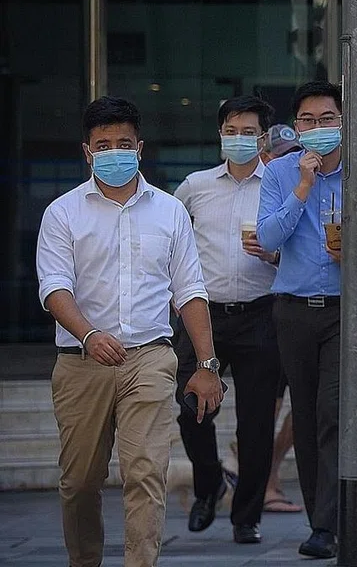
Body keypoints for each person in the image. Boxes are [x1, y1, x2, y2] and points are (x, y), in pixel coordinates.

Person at [36, 96, 223, 567]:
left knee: (145, 474)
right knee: (80, 482)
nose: (114, 152)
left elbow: (190, 290)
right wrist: (88, 334)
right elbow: (54, 287)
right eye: (104, 145)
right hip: (82, 362)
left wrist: (206, 365)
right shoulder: (62, 213)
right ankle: (85, 560)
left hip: (150, 358)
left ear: (140, 148)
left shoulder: (169, 211)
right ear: (87, 152)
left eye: (124, 143)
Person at [257, 81, 357, 559]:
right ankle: (322, 518)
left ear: (344, 122)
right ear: (295, 127)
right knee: (305, 411)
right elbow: (270, 236)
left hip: (346, 310)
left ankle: (327, 522)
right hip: (293, 310)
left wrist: (356, 255)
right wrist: (301, 185)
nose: (317, 129)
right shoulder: (278, 172)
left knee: (333, 411)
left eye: (327, 119)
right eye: (307, 121)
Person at [172, 95, 283, 544]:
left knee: (256, 424)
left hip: (262, 313)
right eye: (230, 130)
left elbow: (300, 242)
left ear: (263, 138)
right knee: (191, 409)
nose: (239, 139)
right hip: (203, 316)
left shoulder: (279, 183)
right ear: (220, 134)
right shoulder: (194, 187)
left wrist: (273, 253)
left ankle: (246, 515)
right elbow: (172, 244)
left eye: (248, 132)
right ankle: (208, 485)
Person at [258, 124, 304, 514]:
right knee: (267, 403)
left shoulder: (307, 179)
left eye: (292, 151)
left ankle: (268, 472)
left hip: (299, 304)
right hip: (261, 311)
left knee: (302, 403)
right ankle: (261, 477)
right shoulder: (258, 187)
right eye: (278, 152)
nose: (286, 158)